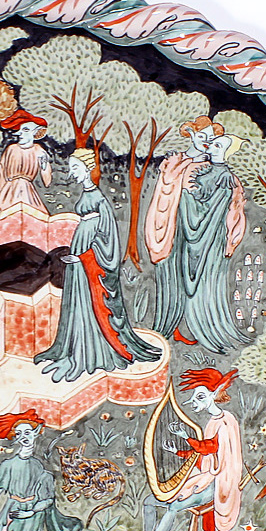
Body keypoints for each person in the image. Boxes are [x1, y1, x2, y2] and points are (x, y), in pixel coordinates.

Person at [34, 148, 162, 382]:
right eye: (71, 168)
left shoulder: (99, 199)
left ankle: (90, 351)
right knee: (77, 300)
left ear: (86, 168)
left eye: (75, 167)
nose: (72, 172)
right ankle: (73, 348)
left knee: (90, 301)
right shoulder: (86, 194)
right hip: (80, 254)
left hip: (88, 258)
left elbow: (108, 238)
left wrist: (84, 257)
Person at [147, 117, 248, 353]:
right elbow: (163, 196)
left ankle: (200, 327)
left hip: (206, 236)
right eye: (202, 137)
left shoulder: (217, 170)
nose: (206, 143)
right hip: (174, 230)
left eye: (211, 139)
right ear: (191, 135)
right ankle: (174, 325)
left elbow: (229, 204)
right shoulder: (175, 164)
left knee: (203, 280)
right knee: (174, 276)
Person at [121, 368, 243, 531]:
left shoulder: (226, 421)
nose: (194, 402)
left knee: (173, 507)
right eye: (194, 398)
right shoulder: (213, 421)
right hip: (203, 477)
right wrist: (177, 452)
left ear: (215, 394)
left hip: (217, 484)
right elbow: (203, 455)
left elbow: (210, 448)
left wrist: (186, 436)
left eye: (200, 397)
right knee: (149, 501)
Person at [0, 109, 52, 212]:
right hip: (9, 192)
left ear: (36, 132)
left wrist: (44, 166)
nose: (20, 133)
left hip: (27, 192)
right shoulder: (11, 148)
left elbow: (47, 182)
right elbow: (0, 172)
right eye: (20, 130)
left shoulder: (39, 150)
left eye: (25, 130)